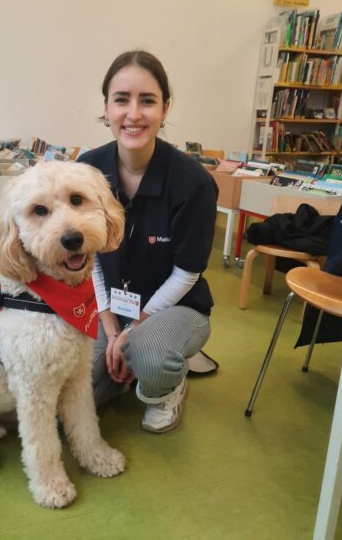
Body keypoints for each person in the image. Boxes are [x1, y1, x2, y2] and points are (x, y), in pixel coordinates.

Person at [78, 50, 218, 434]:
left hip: (177, 307)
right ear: (107, 106)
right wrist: (110, 330)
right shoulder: (87, 169)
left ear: (165, 108)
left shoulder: (193, 183)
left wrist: (131, 331)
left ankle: (166, 385)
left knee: (151, 357)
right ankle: (128, 366)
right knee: (76, 384)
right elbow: (86, 258)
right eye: (121, 99)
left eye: (148, 100)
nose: (134, 114)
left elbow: (187, 274)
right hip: (110, 306)